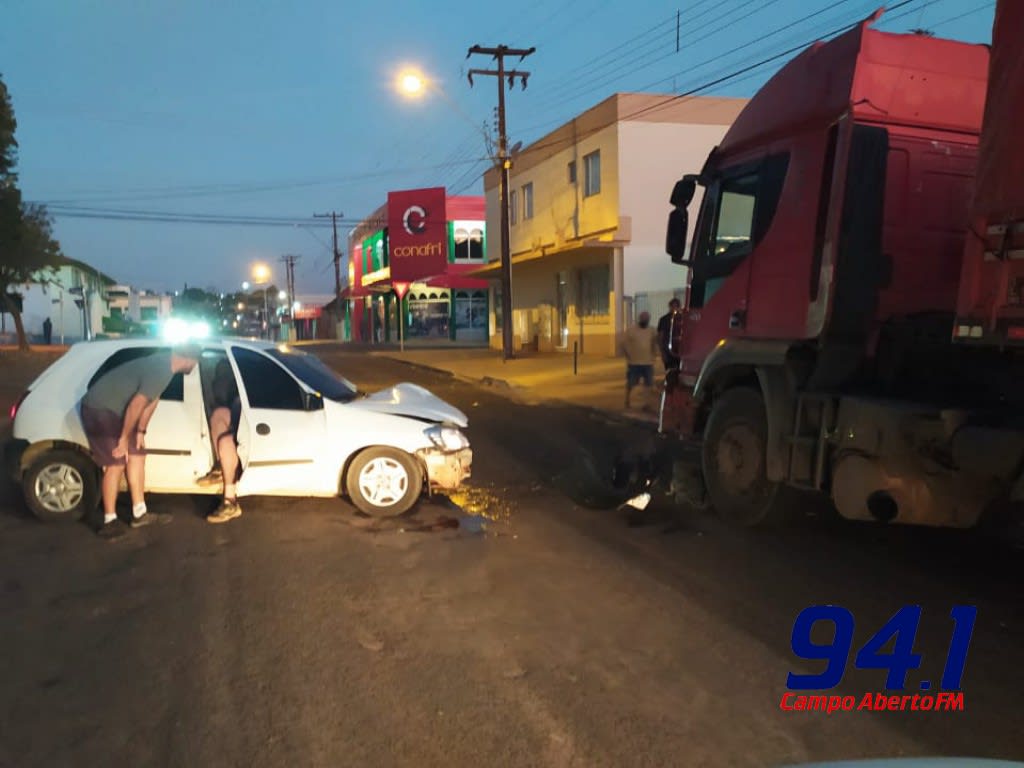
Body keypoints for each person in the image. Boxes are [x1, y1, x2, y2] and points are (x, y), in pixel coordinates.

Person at [79, 344, 202, 539]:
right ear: (188, 359)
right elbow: (136, 405)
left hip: (117, 409)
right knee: (116, 462)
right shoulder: (161, 368)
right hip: (100, 408)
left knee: (137, 454)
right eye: (196, 361)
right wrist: (123, 438)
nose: (196, 366)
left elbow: (151, 402)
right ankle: (109, 521)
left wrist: (140, 431)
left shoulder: (166, 367)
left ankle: (139, 513)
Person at [197, 359, 243, 523]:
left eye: (222, 378)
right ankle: (220, 468)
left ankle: (230, 502)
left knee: (225, 442)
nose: (216, 383)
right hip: (239, 427)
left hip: (250, 437)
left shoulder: (241, 401)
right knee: (218, 414)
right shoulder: (230, 404)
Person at [619, 311, 659, 411]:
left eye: (646, 319)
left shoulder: (652, 330)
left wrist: (655, 354)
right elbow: (623, 343)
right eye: (643, 319)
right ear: (640, 319)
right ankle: (627, 400)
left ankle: (647, 403)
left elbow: (655, 342)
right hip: (634, 363)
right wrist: (628, 355)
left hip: (648, 362)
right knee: (631, 383)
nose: (645, 321)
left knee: (648, 384)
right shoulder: (631, 330)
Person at [657, 298, 681, 370]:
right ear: (670, 307)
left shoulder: (682, 318)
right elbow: (660, 337)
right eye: (673, 306)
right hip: (668, 352)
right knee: (670, 372)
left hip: (680, 351)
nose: (674, 308)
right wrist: (663, 353)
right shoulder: (664, 319)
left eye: (676, 306)